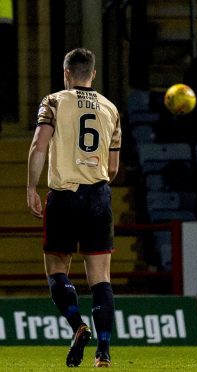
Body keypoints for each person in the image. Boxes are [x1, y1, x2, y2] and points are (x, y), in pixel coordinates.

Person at [27, 48, 120, 368]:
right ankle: (104, 352)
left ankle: (77, 325)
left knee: (56, 269)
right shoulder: (111, 109)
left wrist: (31, 187)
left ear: (66, 73)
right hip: (98, 196)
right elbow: (114, 167)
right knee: (101, 279)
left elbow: (39, 145)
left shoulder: (53, 102)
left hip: (64, 196)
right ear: (92, 74)